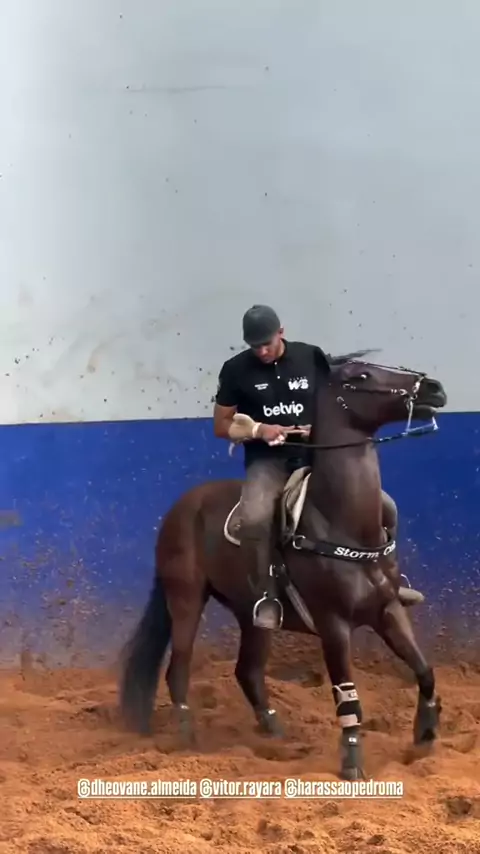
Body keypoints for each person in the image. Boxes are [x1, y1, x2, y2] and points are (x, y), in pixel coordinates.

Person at [213, 304, 330, 630]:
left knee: (381, 504)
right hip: (268, 462)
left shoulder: (311, 357)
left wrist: (320, 428)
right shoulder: (235, 370)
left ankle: (387, 578)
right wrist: (258, 430)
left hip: (318, 455)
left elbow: (335, 404)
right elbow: (221, 426)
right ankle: (265, 596)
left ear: (281, 332)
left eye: (267, 343)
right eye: (255, 346)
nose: (262, 351)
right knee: (254, 518)